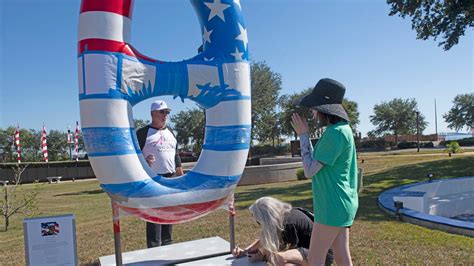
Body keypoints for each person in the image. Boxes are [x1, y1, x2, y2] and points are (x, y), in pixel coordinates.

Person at [290, 78, 358, 265]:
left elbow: (309, 170)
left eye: (313, 107)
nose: (311, 111)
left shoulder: (334, 133)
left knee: (315, 259)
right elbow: (316, 163)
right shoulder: (343, 130)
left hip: (332, 206)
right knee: (342, 255)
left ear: (323, 108)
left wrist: (303, 135)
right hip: (342, 203)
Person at [136, 100, 184, 248]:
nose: (165, 115)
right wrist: (144, 162)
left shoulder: (171, 131)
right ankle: (154, 247)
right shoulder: (142, 133)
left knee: (169, 213)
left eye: (167, 112)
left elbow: (175, 155)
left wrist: (180, 174)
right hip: (152, 179)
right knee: (154, 214)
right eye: (162, 112)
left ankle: (168, 245)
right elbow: (133, 157)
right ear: (152, 113)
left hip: (170, 178)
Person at [232, 197, 333, 266]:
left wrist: (263, 256)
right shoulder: (285, 217)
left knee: (279, 258)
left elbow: (286, 253)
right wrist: (245, 251)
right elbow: (265, 239)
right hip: (311, 251)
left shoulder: (289, 224)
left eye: (259, 220)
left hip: (322, 256)